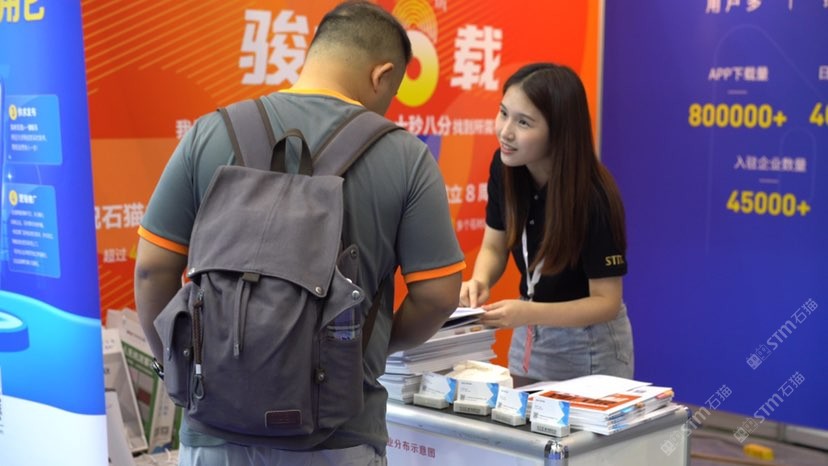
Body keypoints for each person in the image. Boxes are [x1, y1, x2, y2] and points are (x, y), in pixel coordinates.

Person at [134, 2, 465, 464]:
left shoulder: (210, 133)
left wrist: (181, 366)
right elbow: (438, 296)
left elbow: (152, 271)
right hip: (338, 434)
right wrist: (363, 342)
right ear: (383, 75)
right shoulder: (406, 157)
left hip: (215, 431)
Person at [459, 63, 633, 383]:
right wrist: (480, 280)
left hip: (589, 344)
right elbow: (494, 246)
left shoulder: (593, 196)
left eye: (523, 122)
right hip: (529, 331)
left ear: (559, 131)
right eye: (503, 113)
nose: (505, 131)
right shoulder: (505, 166)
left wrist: (528, 313)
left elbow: (606, 302)